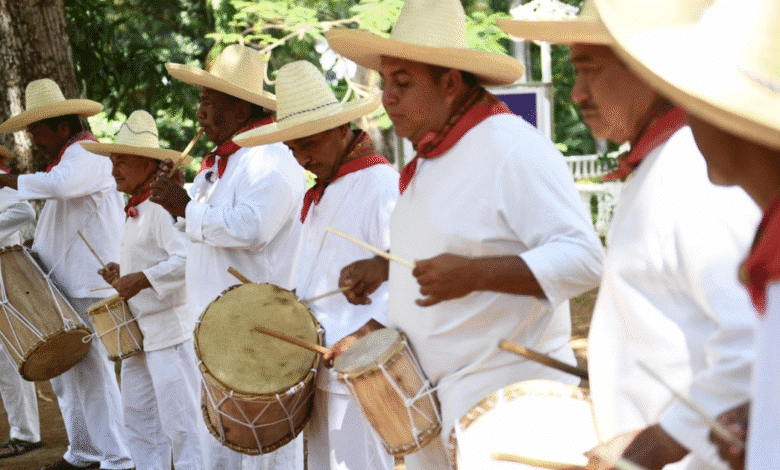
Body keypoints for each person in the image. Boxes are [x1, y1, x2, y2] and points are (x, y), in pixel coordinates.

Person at [326, 1, 605, 467]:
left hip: (511, 411)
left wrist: (476, 274)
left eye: (403, 83)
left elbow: (584, 260)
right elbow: (455, 243)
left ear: (450, 83)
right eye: (387, 84)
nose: (387, 98)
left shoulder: (511, 147)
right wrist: (385, 276)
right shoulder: (432, 154)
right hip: (445, 403)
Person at [500, 2, 759, 469]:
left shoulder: (692, 169)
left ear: (647, 67)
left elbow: (753, 338)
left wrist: (660, 442)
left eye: (589, 71)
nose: (577, 95)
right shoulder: (663, 162)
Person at [590, 0, 780, 469]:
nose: (687, 117)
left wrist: (666, 440)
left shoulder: (685, 173)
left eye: (696, 100)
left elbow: (743, 344)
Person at [149, 44, 306, 470]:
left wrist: (185, 207)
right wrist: (179, 204)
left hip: (259, 331)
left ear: (240, 111)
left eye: (207, 102)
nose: (199, 113)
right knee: (220, 442)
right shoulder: (221, 164)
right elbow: (206, 227)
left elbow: (250, 229)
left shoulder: (270, 159)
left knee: (265, 450)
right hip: (220, 331)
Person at [234, 60, 397, 470]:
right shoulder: (324, 190)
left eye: (309, 144)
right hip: (322, 369)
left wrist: (369, 335)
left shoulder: (379, 184)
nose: (302, 158)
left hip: (364, 369)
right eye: (294, 149)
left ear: (341, 129)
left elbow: (412, 272)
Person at [0, 79, 133, 470]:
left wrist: (6, 180)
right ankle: (83, 452)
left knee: (92, 372)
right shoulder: (69, 158)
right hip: (67, 282)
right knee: (65, 374)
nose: (34, 139)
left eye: (37, 130)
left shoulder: (88, 154)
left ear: (61, 126)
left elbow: (59, 188)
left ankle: (117, 458)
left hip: (90, 282)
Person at [79, 110, 204, 470]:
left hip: (171, 333)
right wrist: (126, 274)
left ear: (148, 165)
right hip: (142, 334)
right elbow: (154, 259)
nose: (114, 170)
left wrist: (142, 279)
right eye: (113, 161)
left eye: (122, 162)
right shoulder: (136, 207)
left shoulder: (161, 206)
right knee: (138, 421)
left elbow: (185, 259)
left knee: (183, 428)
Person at [0, 145, 43, 459]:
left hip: (4, 275)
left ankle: (25, 433)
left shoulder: (1, 179)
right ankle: (23, 431)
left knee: (6, 358)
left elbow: (25, 213)